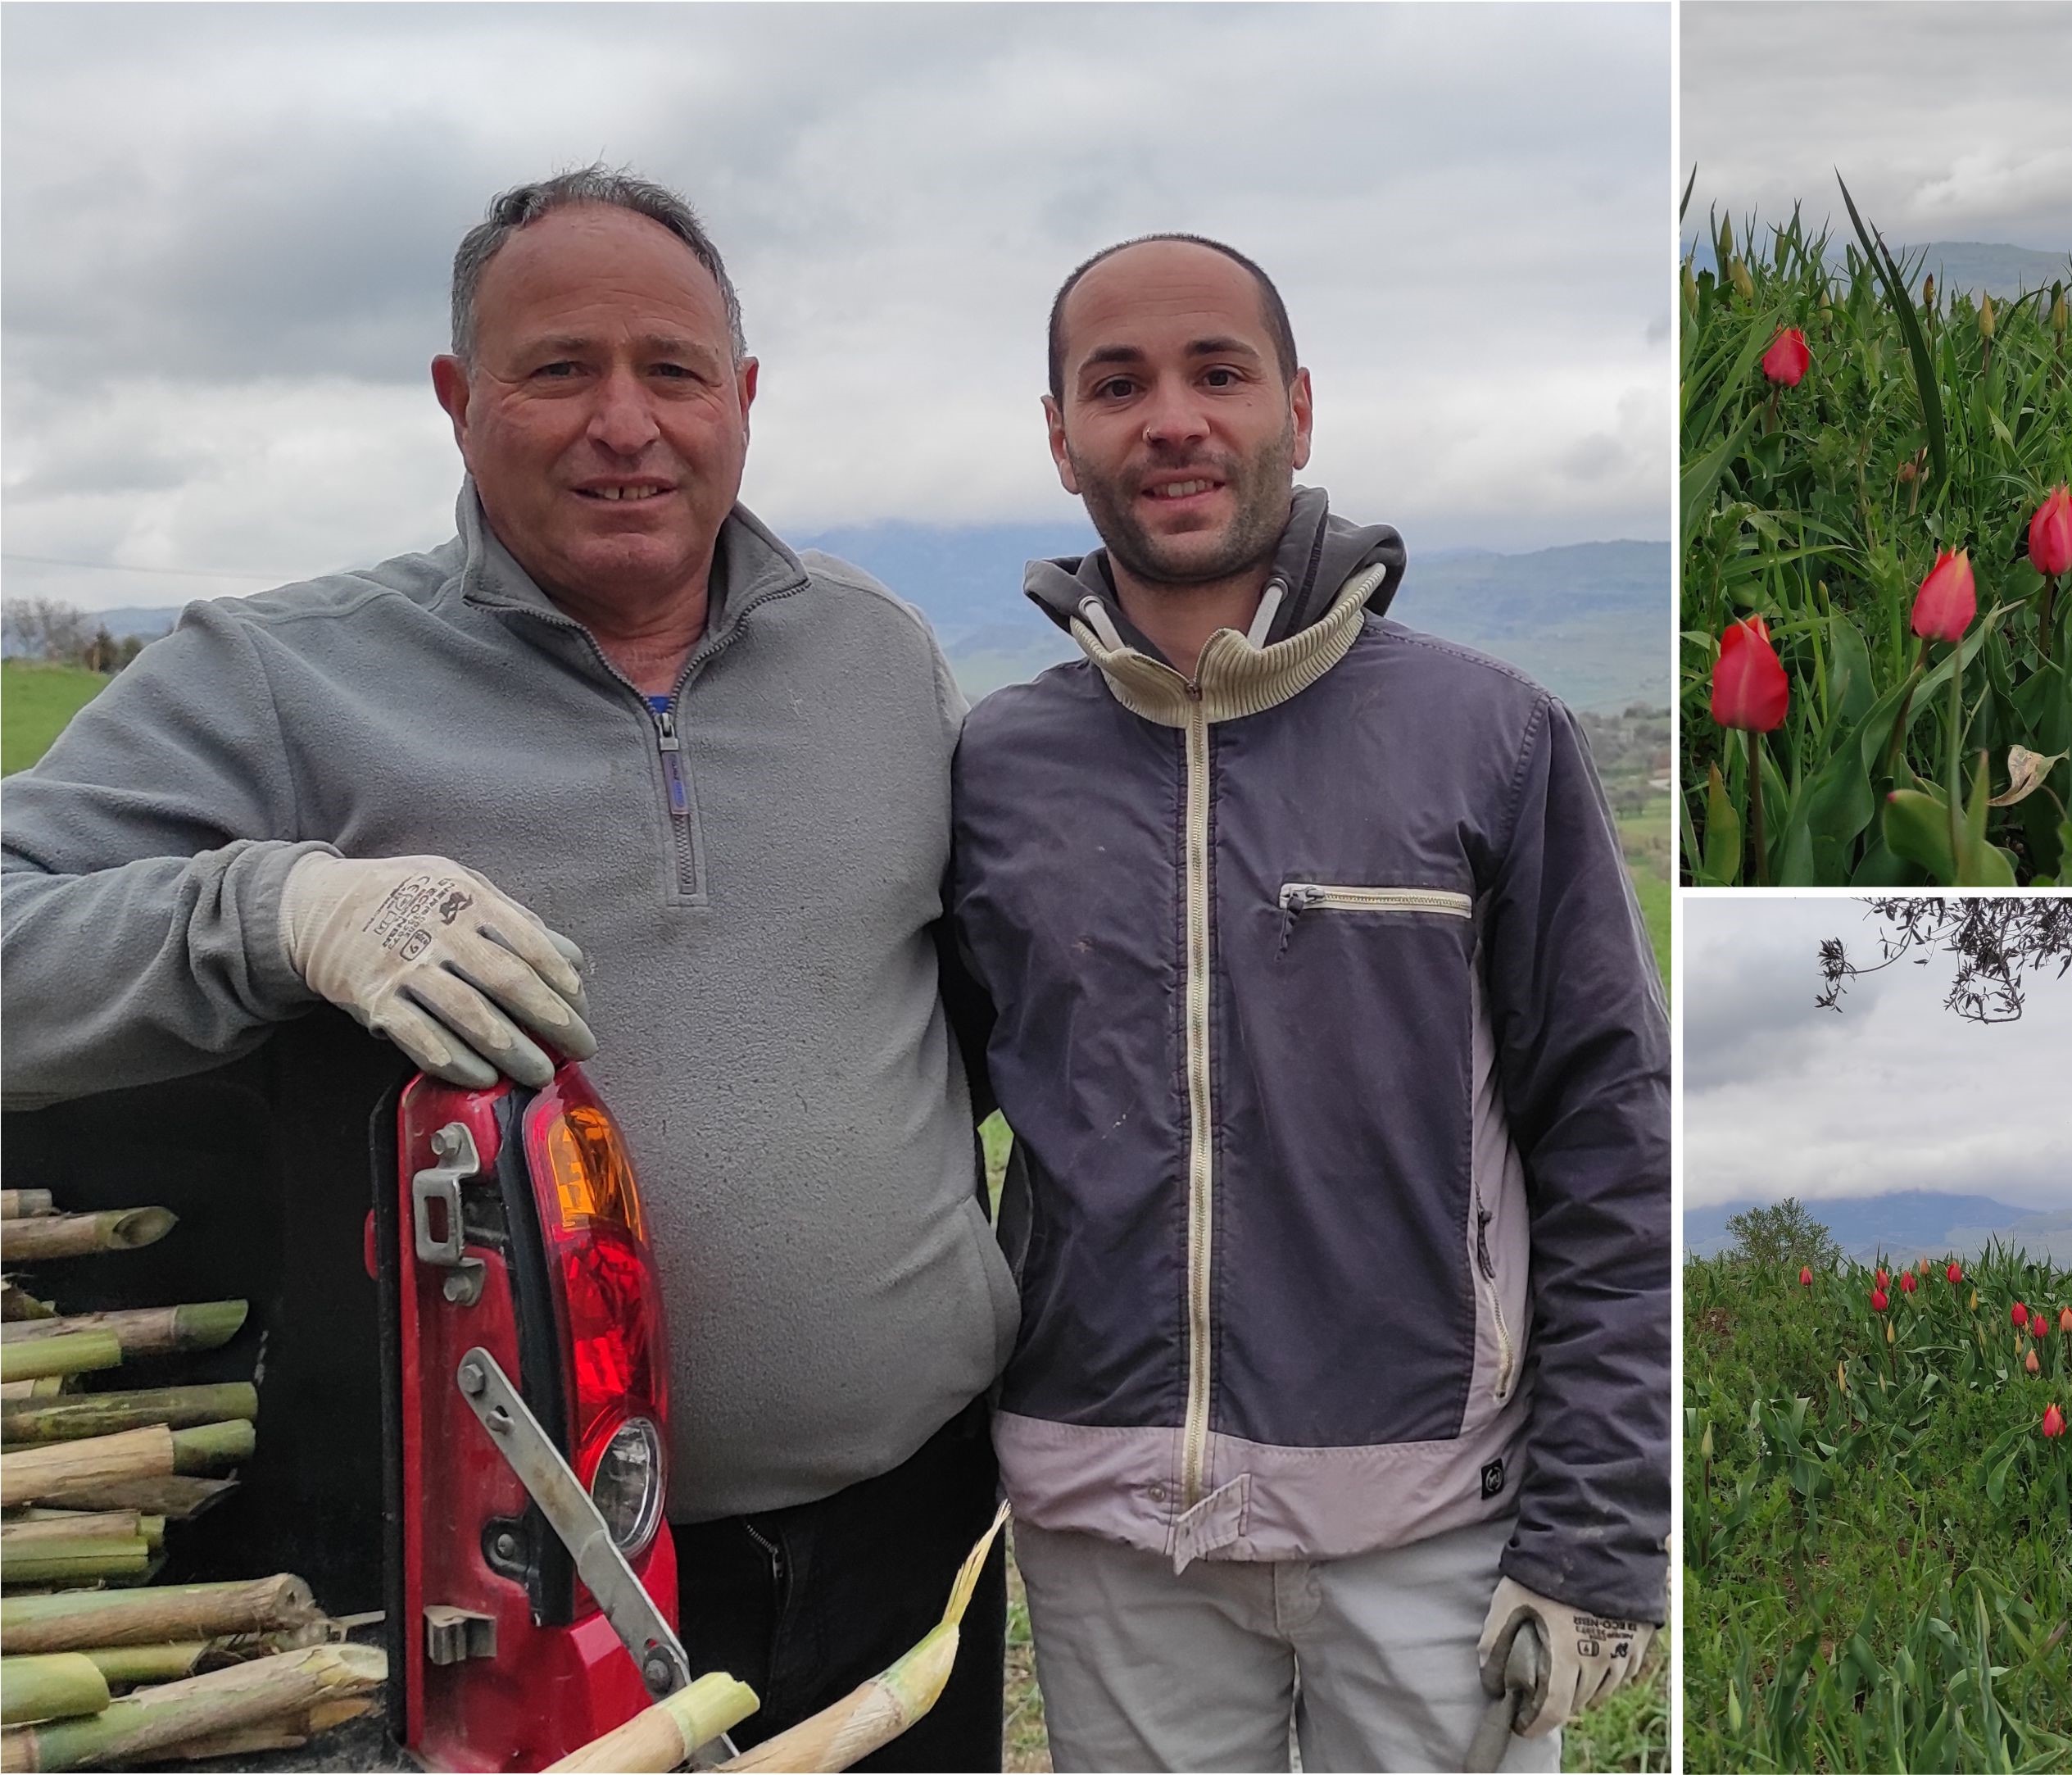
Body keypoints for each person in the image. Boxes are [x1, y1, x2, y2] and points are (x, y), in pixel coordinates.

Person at [0, 168, 1012, 1771]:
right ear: (457, 400)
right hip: (525, 1590)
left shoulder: (877, 653)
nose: (626, 422)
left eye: (673, 370)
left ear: (743, 398)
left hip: (919, 1529)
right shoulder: (282, 679)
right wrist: (278, 910)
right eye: (558, 370)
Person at [947, 234, 1670, 1773]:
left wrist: (1601, 1531)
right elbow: (905, 1113)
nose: (1173, 420)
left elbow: (1614, 1138)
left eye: (1218, 372)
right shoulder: (994, 770)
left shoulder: (1493, 738)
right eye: (1117, 385)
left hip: (1437, 1528)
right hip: (1108, 1535)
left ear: (1299, 406)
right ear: (1060, 436)